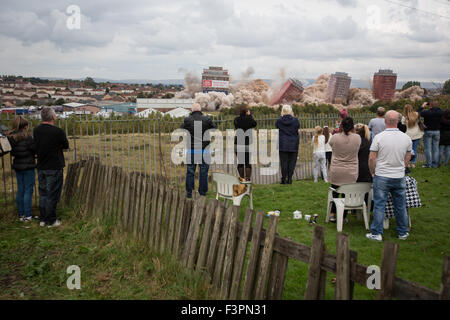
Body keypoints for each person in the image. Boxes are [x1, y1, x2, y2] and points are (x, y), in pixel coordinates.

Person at [366, 110, 412, 241]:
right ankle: (402, 232)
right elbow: (408, 155)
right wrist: (402, 166)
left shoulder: (379, 137)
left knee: (380, 205)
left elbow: (371, 158)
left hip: (382, 175)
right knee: (400, 205)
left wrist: (372, 171)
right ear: (398, 121)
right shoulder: (406, 138)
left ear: (385, 121)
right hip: (398, 175)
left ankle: (377, 233)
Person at [33, 107, 69, 227]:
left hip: (41, 165)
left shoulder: (36, 130)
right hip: (54, 166)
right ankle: (51, 220)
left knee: (43, 192)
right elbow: (65, 145)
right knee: (52, 194)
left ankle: (43, 219)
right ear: (53, 117)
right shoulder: (57, 131)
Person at [328, 117, 361, 222]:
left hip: (337, 169)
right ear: (352, 126)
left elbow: (331, 144)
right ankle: (343, 216)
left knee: (335, 191)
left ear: (341, 126)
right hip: (351, 171)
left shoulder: (335, 137)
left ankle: (332, 214)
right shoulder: (357, 138)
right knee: (348, 193)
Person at [181, 103, 216, 198]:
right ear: (200, 110)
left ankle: (190, 193)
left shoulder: (187, 120)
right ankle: (202, 193)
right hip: (204, 150)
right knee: (203, 172)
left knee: (190, 171)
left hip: (191, 150)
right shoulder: (207, 119)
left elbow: (182, 129)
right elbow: (214, 128)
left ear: (192, 110)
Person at [7, 116, 36, 222]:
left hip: (18, 165)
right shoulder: (28, 137)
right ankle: (28, 215)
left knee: (21, 189)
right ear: (25, 126)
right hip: (28, 165)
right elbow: (34, 149)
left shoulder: (11, 138)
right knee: (28, 190)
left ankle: (21, 214)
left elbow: (11, 152)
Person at [275, 105, 300, 184]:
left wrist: (281, 116)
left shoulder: (279, 120)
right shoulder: (295, 120)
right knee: (292, 162)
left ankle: (283, 178)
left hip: (283, 143)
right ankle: (289, 178)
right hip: (293, 143)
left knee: (284, 162)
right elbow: (298, 126)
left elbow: (276, 126)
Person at [234, 105, 257, 181]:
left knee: (240, 162)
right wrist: (250, 115)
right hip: (247, 143)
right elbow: (254, 124)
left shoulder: (236, 119)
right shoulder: (249, 119)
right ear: (247, 112)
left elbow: (236, 125)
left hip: (238, 142)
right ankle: (247, 179)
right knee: (247, 162)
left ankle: (242, 179)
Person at [419, 100, 444, 168]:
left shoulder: (427, 112)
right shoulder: (441, 112)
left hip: (428, 131)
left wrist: (422, 106)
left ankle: (428, 164)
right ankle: (435, 164)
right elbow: (442, 113)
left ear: (430, 105)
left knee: (428, 148)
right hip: (437, 131)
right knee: (436, 148)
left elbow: (418, 113)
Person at [402, 104, 424, 168]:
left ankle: (408, 163)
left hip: (408, 135)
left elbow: (403, 125)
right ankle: (413, 163)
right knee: (414, 149)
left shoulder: (404, 117)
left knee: (408, 150)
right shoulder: (416, 114)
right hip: (416, 134)